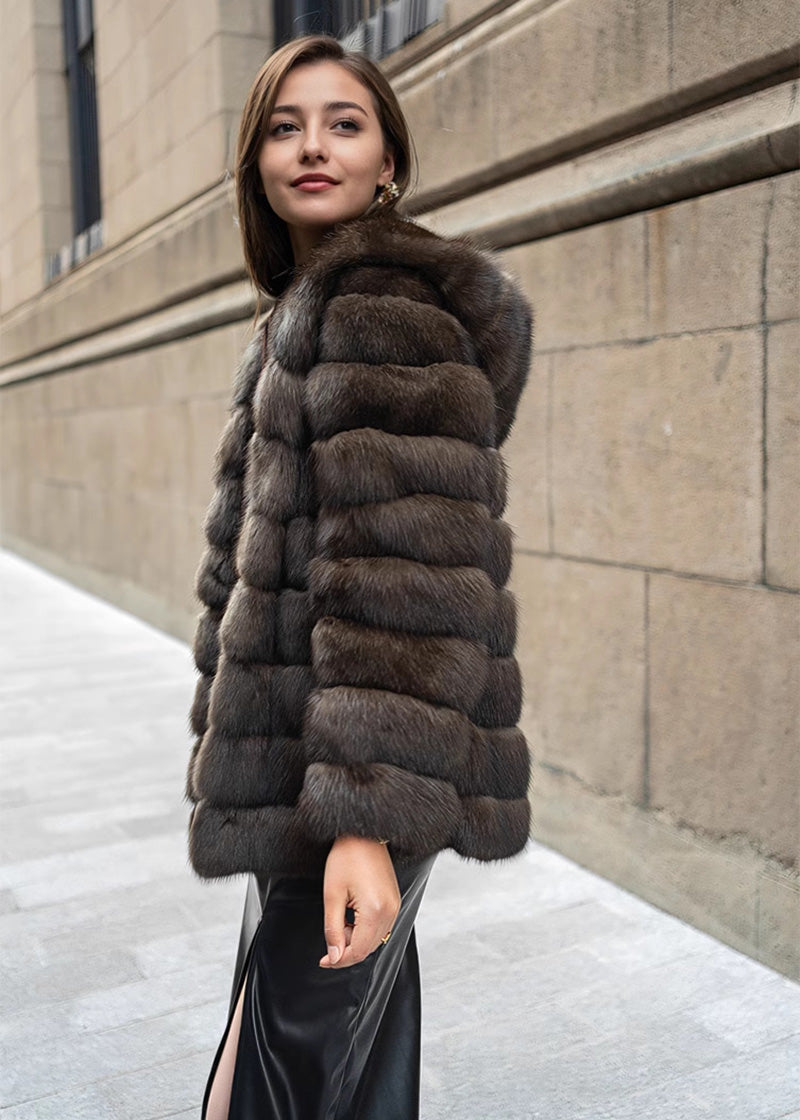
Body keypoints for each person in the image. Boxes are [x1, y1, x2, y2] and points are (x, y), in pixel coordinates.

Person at [184, 32, 533, 1120]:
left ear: (388, 160)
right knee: (337, 1074)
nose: (312, 147)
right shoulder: (300, 309)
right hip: (306, 781)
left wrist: (362, 823)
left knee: (269, 1090)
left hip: (351, 790)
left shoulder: (379, 305)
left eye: (344, 123)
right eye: (284, 128)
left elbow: (405, 589)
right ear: (255, 164)